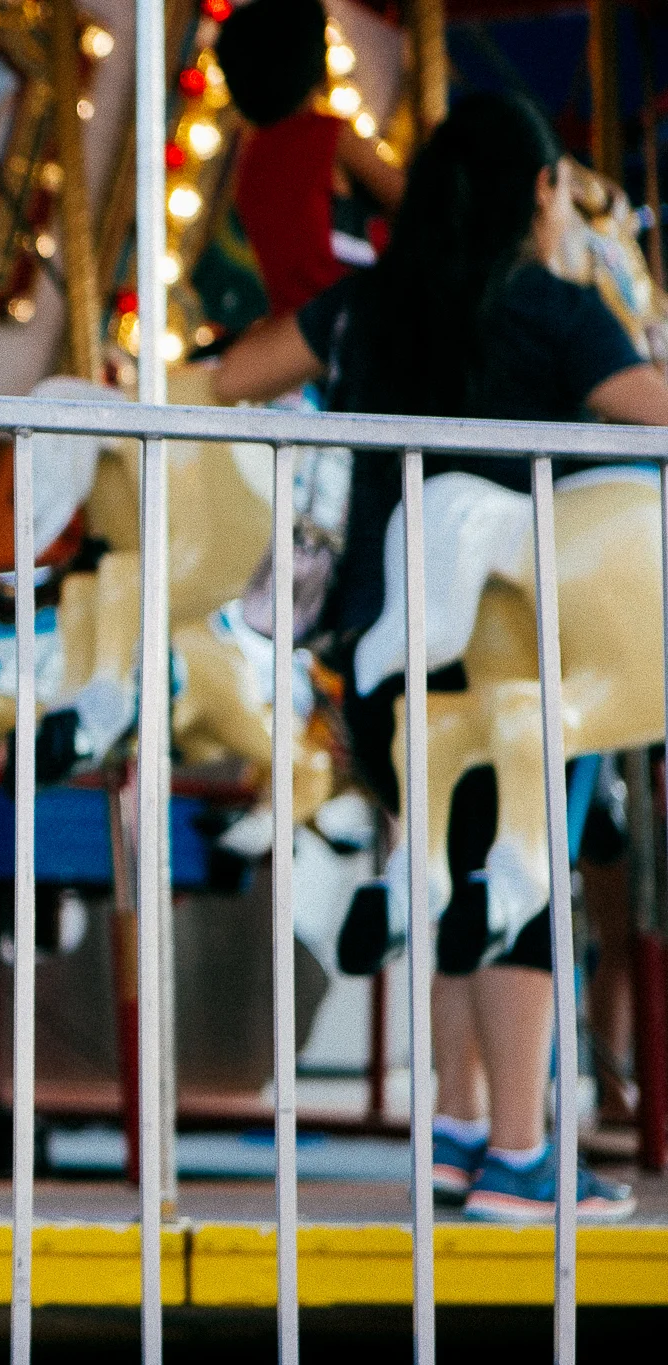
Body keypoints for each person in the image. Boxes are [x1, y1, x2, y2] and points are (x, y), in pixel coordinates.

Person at [216, 90, 668, 1222]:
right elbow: (649, 409)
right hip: (510, 641)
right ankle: (521, 1155)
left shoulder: (369, 305)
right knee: (513, 882)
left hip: (381, 650)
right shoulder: (555, 310)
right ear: (536, 191)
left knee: (445, 871)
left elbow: (231, 377)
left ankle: (458, 1134)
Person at [214, 0, 403, 320]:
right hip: (367, 312)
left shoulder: (248, 167)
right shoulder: (327, 135)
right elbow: (416, 201)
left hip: (302, 332)